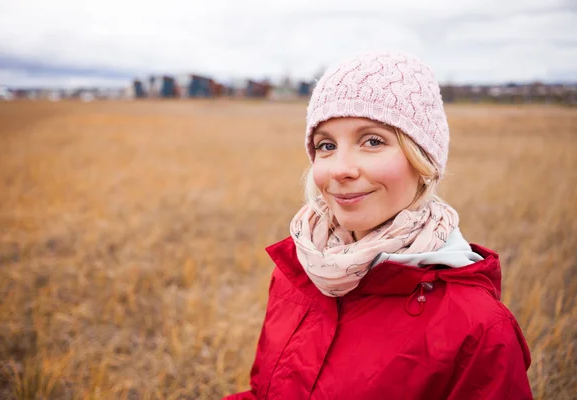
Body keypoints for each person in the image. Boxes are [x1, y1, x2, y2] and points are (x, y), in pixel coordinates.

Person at [223, 51, 533, 400]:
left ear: (423, 160)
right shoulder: (299, 269)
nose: (340, 168)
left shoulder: (478, 329)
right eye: (327, 145)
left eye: (373, 141)